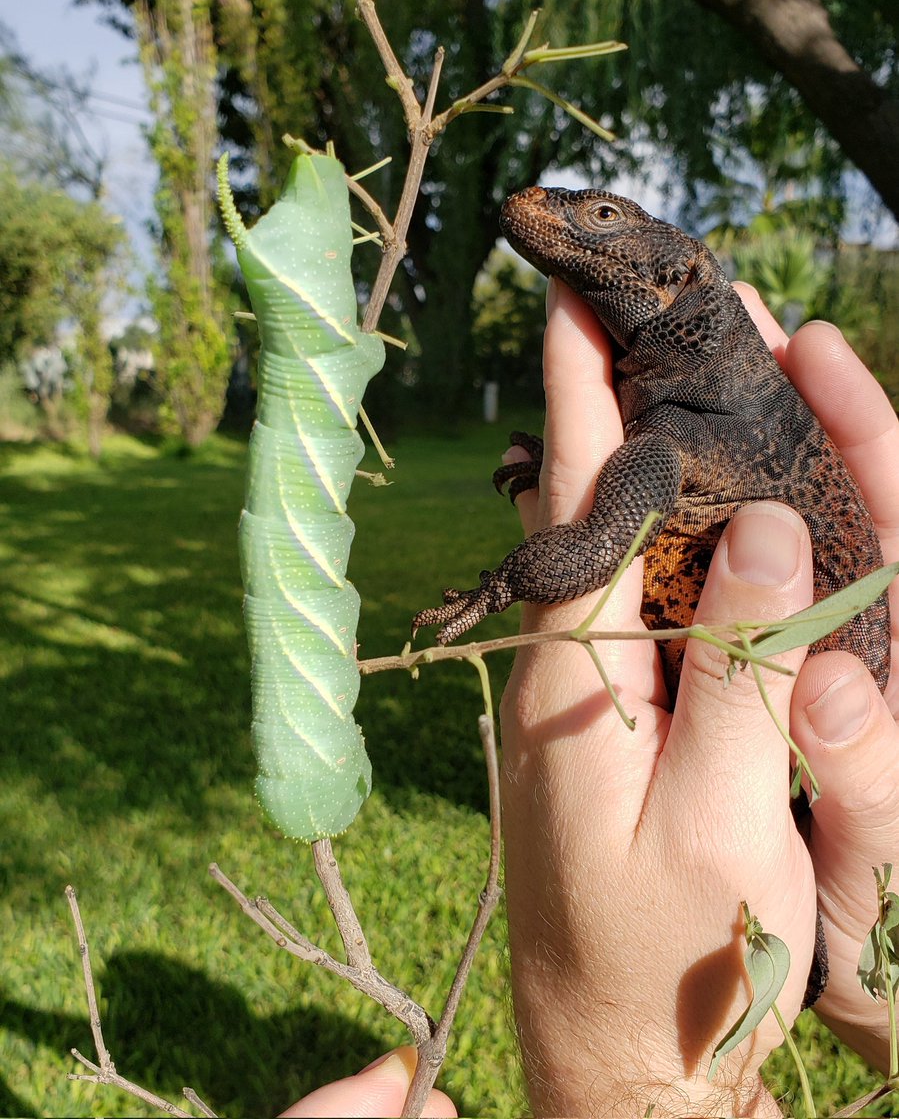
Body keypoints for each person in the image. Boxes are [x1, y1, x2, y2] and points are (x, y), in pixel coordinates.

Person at [282, 282, 899, 1118]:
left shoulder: (700, 413)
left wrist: (623, 1060)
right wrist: (876, 1007)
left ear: (676, 282)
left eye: (604, 219)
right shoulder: (688, 413)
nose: (573, 226)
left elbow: (602, 546)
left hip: (786, 715)